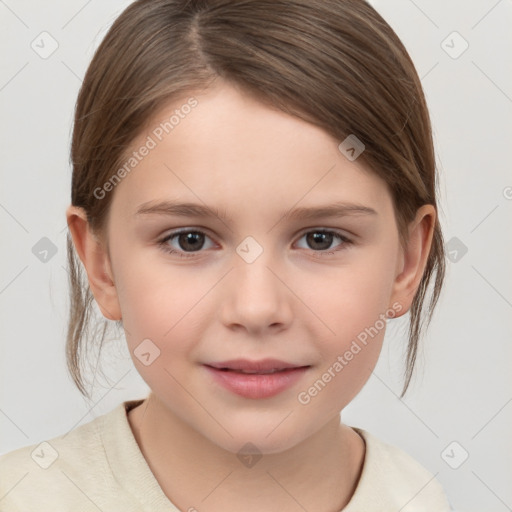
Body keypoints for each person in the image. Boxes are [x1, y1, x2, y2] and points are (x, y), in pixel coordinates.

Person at [0, 0, 455, 510]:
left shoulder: (418, 496)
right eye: (189, 240)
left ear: (407, 262)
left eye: (321, 239)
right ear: (100, 264)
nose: (257, 309)